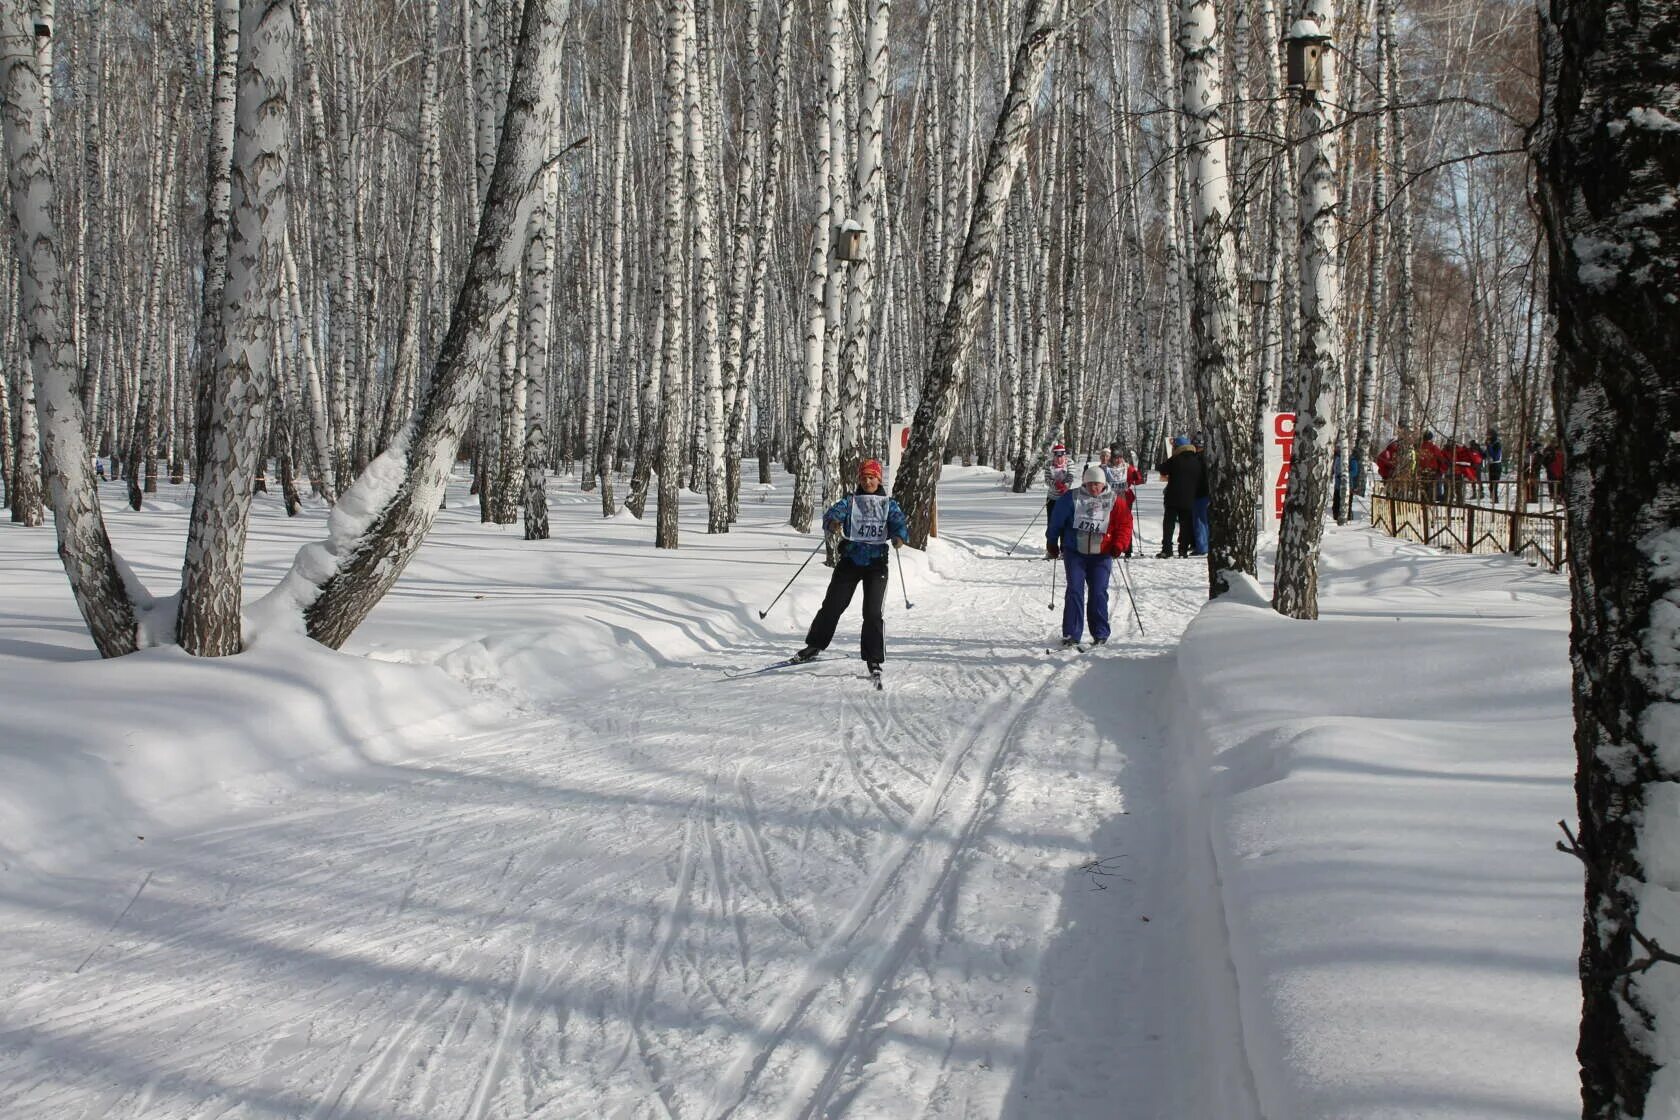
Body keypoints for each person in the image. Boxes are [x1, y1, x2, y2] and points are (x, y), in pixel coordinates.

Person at [793, 459, 909, 675]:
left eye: (872, 477)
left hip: (876, 564)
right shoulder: (851, 501)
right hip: (851, 560)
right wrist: (834, 523)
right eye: (864, 478)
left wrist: (898, 537)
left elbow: (899, 522)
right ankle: (814, 645)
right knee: (832, 605)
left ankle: (873, 659)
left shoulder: (888, 504)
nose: (868, 481)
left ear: (879, 479)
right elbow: (831, 515)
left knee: (872, 612)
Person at [1046, 465, 1133, 647]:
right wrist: (1052, 541)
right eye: (1090, 483)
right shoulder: (1072, 498)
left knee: (1099, 593)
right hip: (1074, 552)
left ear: (1104, 484)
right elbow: (1056, 520)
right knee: (1075, 591)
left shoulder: (1114, 500)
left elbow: (1124, 525)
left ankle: (1100, 633)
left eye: (1098, 484)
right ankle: (1071, 634)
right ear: (1085, 483)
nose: (1094, 487)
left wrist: (1119, 545)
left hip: (1102, 554)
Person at [1154, 436, 1204, 557]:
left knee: (1169, 524)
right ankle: (1183, 550)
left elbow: (1161, 468)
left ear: (1178, 447)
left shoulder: (1175, 459)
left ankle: (1167, 549)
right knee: (1185, 524)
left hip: (1172, 497)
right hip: (1189, 498)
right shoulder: (1197, 461)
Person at [1044, 442, 1074, 516]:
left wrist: (1065, 486)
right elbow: (1047, 479)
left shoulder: (1069, 463)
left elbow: (1070, 477)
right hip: (1052, 497)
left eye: (1061, 456)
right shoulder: (1049, 464)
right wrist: (1055, 484)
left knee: (1064, 522)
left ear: (1064, 455)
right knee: (1051, 521)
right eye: (1057, 456)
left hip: (1065, 497)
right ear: (1054, 456)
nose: (1059, 458)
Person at [1485, 429, 1504, 503]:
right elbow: (1485, 454)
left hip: (1496, 465)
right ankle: (1493, 498)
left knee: (1494, 484)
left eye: (1489, 435)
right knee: (1491, 485)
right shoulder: (1491, 444)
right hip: (1491, 465)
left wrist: (1489, 446)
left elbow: (1495, 456)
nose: (1487, 437)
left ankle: (1495, 499)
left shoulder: (1497, 444)